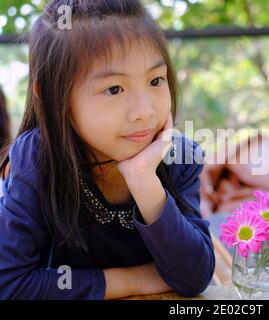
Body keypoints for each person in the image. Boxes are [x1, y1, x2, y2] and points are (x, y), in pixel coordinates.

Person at [0, 0, 214, 300]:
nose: (144, 112)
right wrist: (136, 280)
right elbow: (9, 284)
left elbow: (194, 277)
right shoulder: (37, 159)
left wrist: (144, 180)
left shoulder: (178, 157)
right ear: (51, 97)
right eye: (114, 89)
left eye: (155, 80)